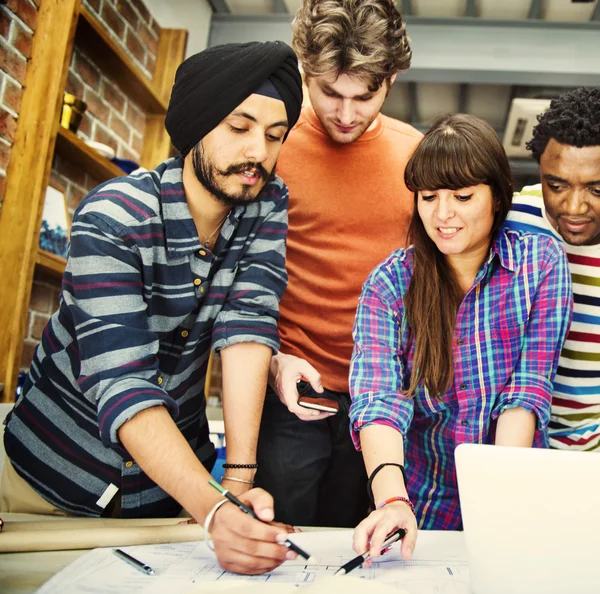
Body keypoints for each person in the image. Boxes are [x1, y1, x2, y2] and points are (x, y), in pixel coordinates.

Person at [1, 41, 303, 575]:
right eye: (241, 127)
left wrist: (234, 485)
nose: (260, 151)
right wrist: (214, 507)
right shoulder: (112, 217)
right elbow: (122, 383)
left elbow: (248, 328)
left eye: (276, 136)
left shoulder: (265, 203)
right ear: (198, 124)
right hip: (45, 488)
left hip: (166, 503)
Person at [349, 114, 573, 561]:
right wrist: (393, 502)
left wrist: (499, 497)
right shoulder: (390, 283)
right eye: (428, 197)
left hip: (515, 496)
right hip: (422, 503)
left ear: (497, 197)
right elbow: (378, 399)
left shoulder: (540, 263)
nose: (442, 214)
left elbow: (528, 389)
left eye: (463, 196)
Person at [255, 0, 422, 528]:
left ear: (390, 80)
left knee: (364, 540)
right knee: (287, 537)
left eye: (364, 96)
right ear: (305, 71)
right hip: (291, 387)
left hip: (383, 392)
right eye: (329, 92)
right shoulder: (270, 148)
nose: (346, 114)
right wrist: (274, 358)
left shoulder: (415, 157)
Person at [505, 87, 600, 451]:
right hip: (515, 439)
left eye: (596, 189)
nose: (574, 207)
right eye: (556, 185)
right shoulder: (512, 219)